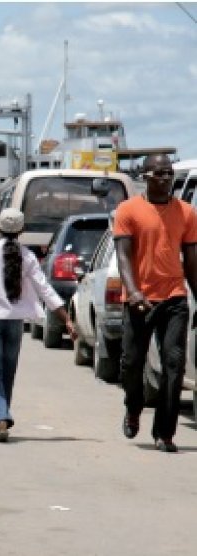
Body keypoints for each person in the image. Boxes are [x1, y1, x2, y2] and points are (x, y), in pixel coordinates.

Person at [0, 208, 76, 442]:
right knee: (7, 373)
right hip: (15, 324)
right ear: (22, 230)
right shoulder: (28, 256)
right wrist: (67, 319)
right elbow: (46, 289)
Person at [113, 153, 197, 453]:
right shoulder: (128, 210)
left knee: (173, 365)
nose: (165, 178)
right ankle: (133, 407)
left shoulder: (186, 212)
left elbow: (191, 261)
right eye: (159, 173)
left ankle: (165, 432)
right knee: (131, 365)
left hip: (175, 297)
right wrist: (133, 292)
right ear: (146, 176)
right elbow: (123, 256)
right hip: (139, 300)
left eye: (168, 173)